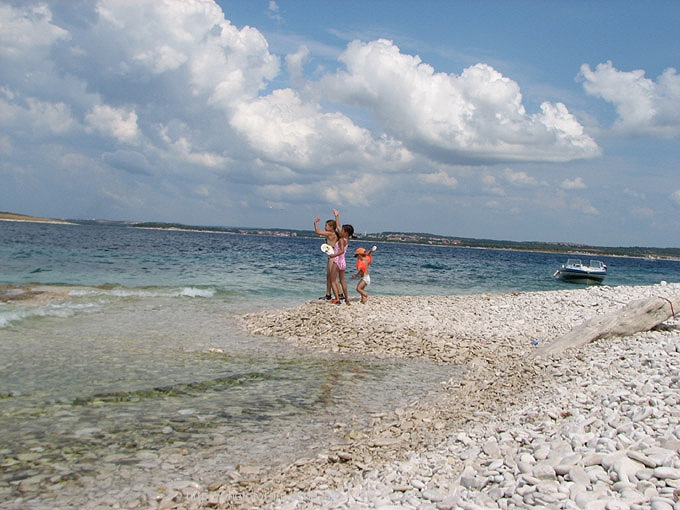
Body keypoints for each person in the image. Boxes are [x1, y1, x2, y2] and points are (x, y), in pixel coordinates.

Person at [314, 215, 341, 302]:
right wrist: (336, 216)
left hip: (332, 257)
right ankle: (329, 294)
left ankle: (339, 294)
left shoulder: (331, 233)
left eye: (326, 226)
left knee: (332, 277)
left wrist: (315, 223)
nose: (325, 227)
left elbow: (318, 232)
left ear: (331, 227)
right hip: (334, 256)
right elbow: (338, 226)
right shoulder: (336, 234)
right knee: (329, 276)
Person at [331, 209, 354, 305]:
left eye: (343, 230)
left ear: (346, 232)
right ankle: (347, 298)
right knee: (342, 280)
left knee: (333, 280)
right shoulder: (346, 239)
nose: (340, 231)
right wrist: (336, 216)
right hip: (343, 262)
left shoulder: (341, 240)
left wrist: (333, 255)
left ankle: (337, 299)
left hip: (337, 260)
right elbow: (339, 226)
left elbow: (341, 251)